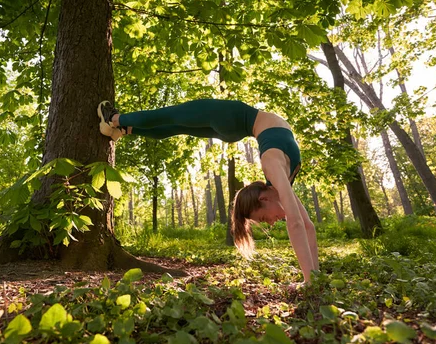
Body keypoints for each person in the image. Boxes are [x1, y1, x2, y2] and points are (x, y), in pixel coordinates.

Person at [97, 99, 319, 284]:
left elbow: (307, 226)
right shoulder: (272, 165)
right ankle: (115, 119)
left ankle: (125, 130)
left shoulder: (278, 182)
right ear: (263, 198)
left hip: (237, 124)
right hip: (233, 116)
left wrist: (314, 280)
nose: (271, 223)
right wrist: (310, 282)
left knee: (176, 124)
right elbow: (297, 223)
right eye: (263, 218)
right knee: (172, 117)